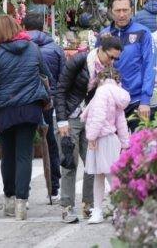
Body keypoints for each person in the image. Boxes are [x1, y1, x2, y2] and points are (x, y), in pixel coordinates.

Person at [0, 15, 52, 221]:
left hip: (5, 111)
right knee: (24, 155)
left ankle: (10, 199)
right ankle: (22, 202)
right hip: (30, 109)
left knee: (8, 156)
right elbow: (46, 75)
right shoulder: (33, 49)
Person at [56, 36, 123, 223]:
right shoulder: (79, 60)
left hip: (91, 118)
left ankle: (89, 205)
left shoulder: (109, 70)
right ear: (100, 49)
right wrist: (62, 120)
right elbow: (60, 89)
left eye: (116, 59)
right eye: (110, 57)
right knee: (70, 162)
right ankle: (67, 207)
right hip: (70, 115)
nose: (112, 62)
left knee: (93, 164)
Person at [99, 0, 157, 130]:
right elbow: (97, 66)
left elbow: (150, 66)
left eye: (125, 10)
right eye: (117, 11)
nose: (121, 14)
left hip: (136, 101)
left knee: (139, 147)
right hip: (112, 101)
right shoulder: (104, 35)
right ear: (111, 12)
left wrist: (145, 100)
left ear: (132, 10)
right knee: (114, 148)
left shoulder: (143, 33)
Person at [80, 66, 130, 225]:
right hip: (110, 139)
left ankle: (99, 211)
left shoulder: (101, 92)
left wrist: (91, 136)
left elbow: (98, 116)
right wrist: (125, 143)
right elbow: (121, 121)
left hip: (101, 139)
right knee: (111, 177)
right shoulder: (115, 94)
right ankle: (118, 210)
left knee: (101, 177)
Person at [22, 13, 64, 201]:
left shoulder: (18, 47)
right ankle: (54, 188)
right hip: (47, 101)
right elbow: (63, 77)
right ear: (43, 27)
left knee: (24, 146)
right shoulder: (55, 49)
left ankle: (23, 191)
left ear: (23, 27)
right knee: (51, 144)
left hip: (24, 102)